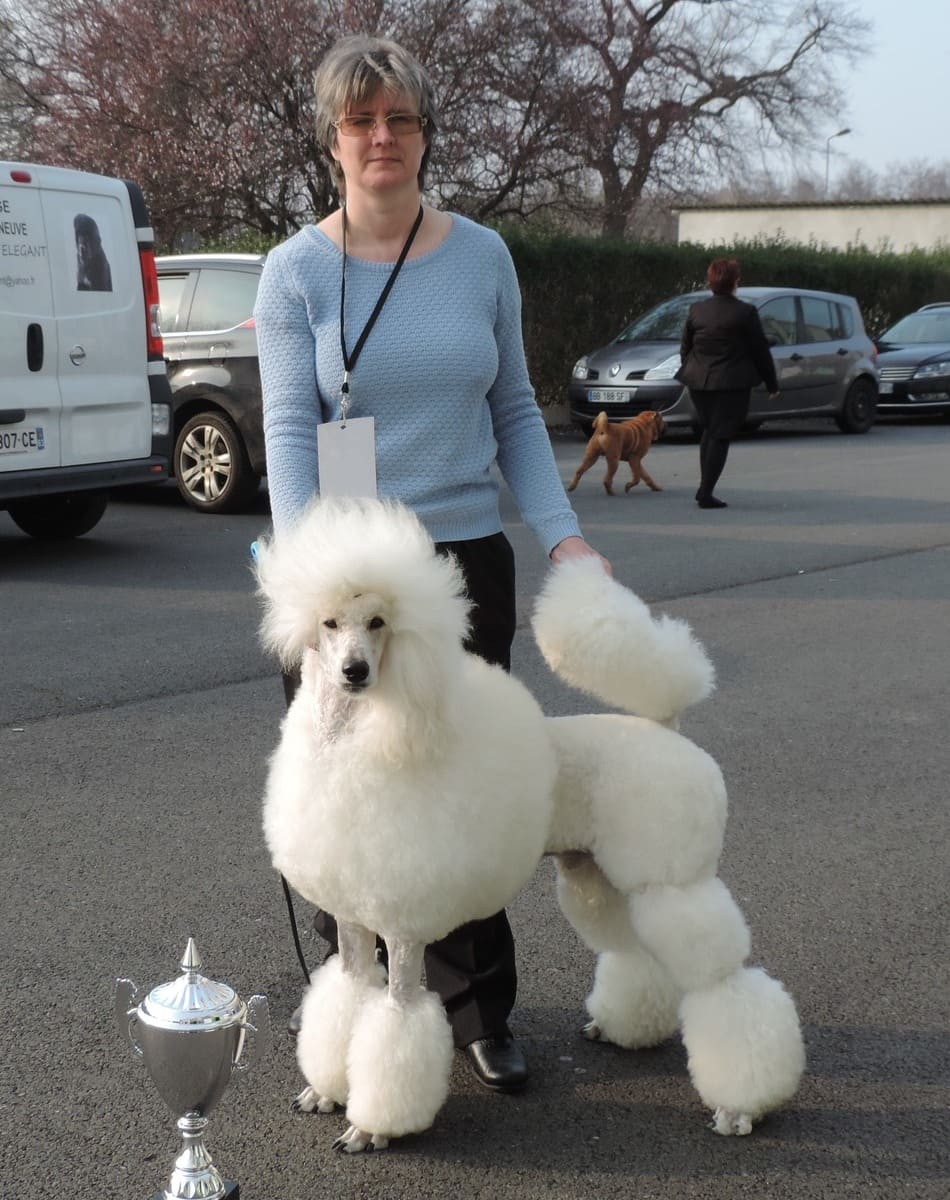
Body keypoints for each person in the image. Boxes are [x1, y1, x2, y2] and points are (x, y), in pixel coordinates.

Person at [254, 34, 608, 1095]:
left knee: (458, 788)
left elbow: (510, 408)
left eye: (399, 118)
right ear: (331, 140)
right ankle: (356, 1017)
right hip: (344, 585)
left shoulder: (481, 255)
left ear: (422, 135)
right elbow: (282, 432)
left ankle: (476, 1009)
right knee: (344, 806)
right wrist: (307, 580)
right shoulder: (294, 273)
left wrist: (563, 532)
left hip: (456, 572)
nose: (380, 137)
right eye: (360, 121)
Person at [676, 258, 779, 508]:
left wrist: (693, 369)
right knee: (721, 435)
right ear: (735, 281)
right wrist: (772, 383)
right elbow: (760, 350)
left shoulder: (697, 309)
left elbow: (685, 347)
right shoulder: (745, 312)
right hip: (731, 383)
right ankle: (705, 492)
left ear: (710, 281)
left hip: (698, 381)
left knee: (710, 431)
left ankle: (705, 486)